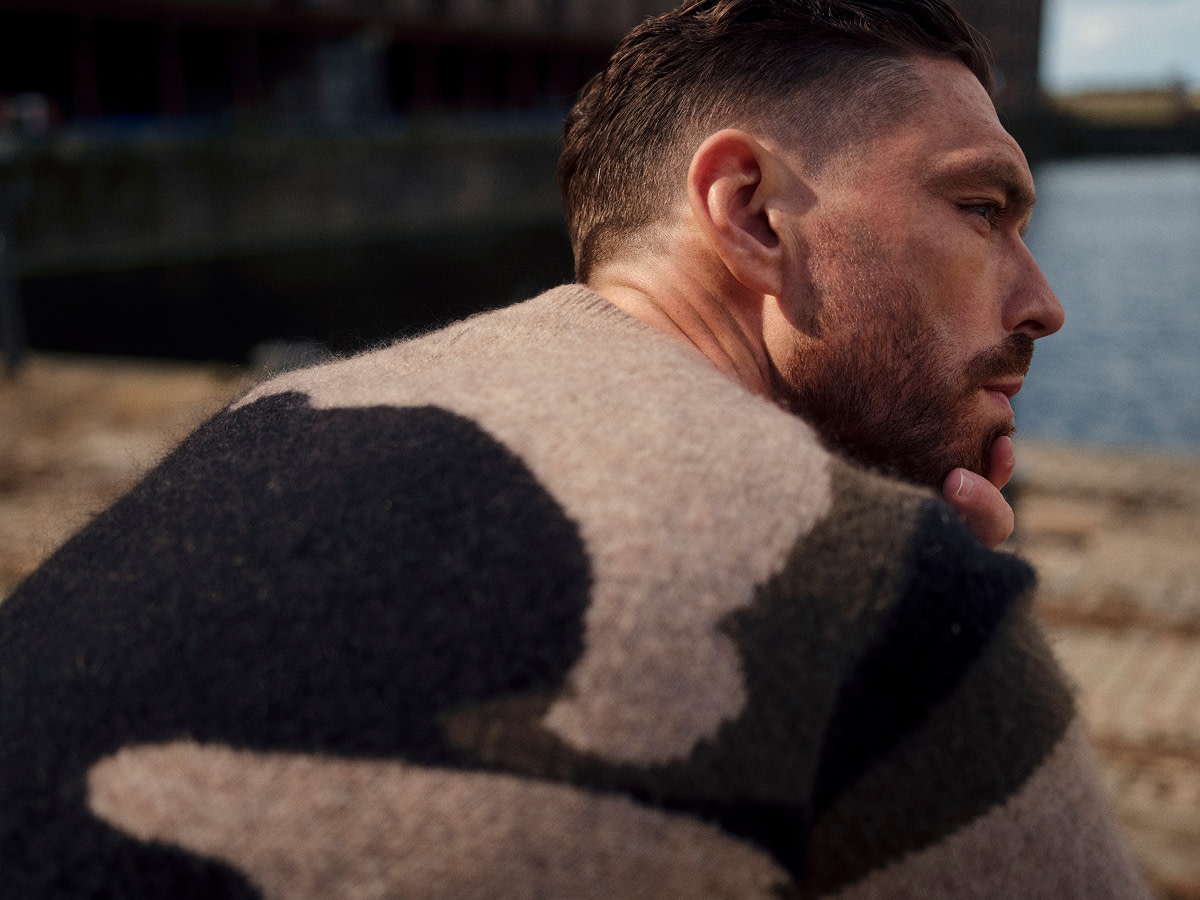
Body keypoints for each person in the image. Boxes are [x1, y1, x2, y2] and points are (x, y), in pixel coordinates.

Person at [0, 1, 1149, 897]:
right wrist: (927, 610)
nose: (1042, 302)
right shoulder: (872, 594)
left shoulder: (256, 437)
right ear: (750, 212)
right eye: (982, 212)